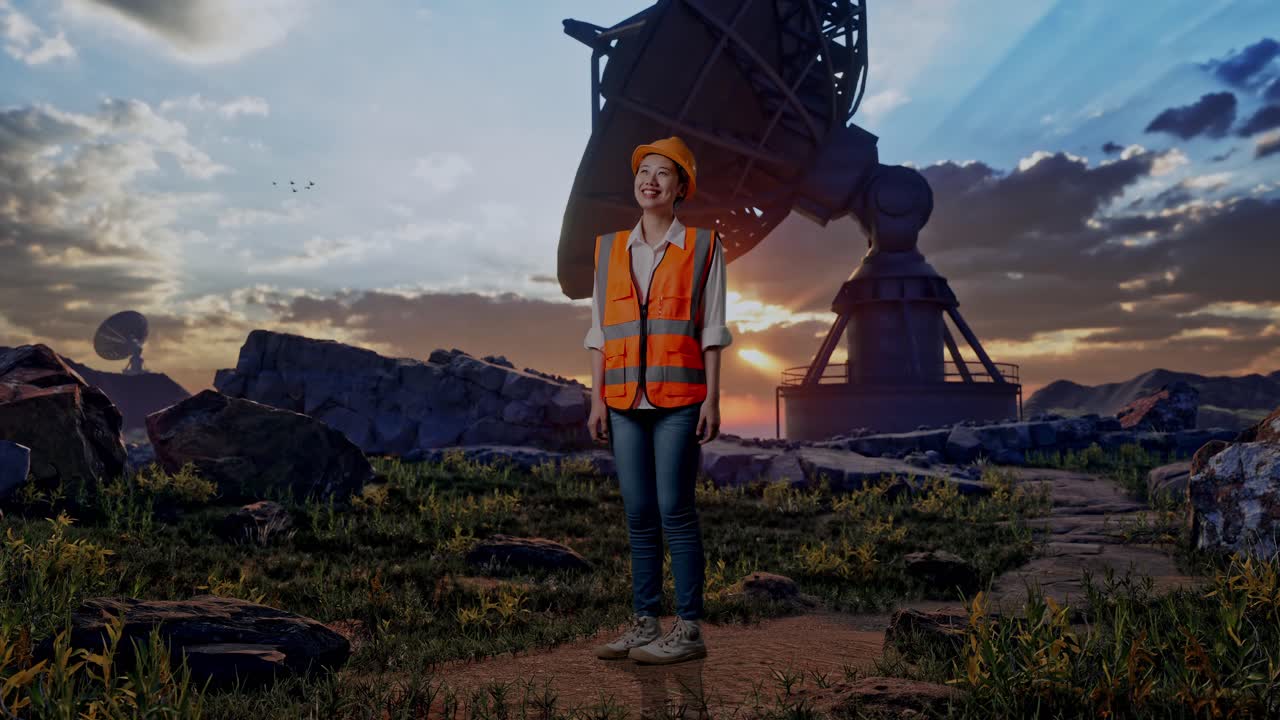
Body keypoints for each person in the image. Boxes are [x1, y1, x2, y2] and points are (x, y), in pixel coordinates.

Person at [583, 136, 732, 665]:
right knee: (639, 513)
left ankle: (688, 629)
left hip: (680, 399)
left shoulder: (705, 247)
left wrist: (713, 399)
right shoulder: (607, 251)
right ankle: (645, 623)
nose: (649, 179)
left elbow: (712, 327)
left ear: (680, 186)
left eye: (662, 173)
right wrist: (597, 399)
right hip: (623, 398)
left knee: (675, 511)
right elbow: (600, 330)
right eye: (642, 170)